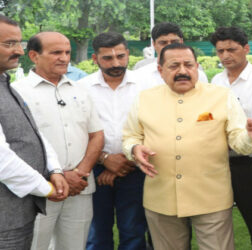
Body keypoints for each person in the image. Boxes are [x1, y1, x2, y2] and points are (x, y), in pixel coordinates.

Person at [123, 43, 252, 250]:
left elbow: (239, 142)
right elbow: (131, 136)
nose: (182, 71)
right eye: (174, 66)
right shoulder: (145, 99)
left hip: (211, 197)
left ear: (197, 67)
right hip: (161, 197)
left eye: (188, 65)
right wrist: (134, 149)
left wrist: (249, 138)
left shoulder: (221, 96)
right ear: (160, 70)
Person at [12, 31, 104, 250]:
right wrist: (55, 177)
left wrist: (79, 173)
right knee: (34, 245)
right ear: (34, 56)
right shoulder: (17, 92)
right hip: (38, 189)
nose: (64, 58)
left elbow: (96, 135)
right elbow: (15, 146)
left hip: (79, 187)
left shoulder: (81, 91)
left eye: (67, 52)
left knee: (75, 246)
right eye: (56, 52)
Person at [0, 15, 68, 249]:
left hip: (19, 214)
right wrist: (46, 187)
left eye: (19, 43)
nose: (18, 50)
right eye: (9, 44)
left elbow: (33, 134)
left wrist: (55, 169)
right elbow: (2, 160)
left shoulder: (5, 84)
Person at [210, 26, 252, 250]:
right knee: (218, 219)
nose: (225, 56)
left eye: (231, 49)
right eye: (220, 51)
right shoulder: (216, 82)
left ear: (246, 48)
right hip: (221, 161)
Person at [78, 32, 148, 250]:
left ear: (128, 54)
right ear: (95, 58)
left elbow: (154, 128)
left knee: (134, 231)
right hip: (94, 170)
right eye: (108, 58)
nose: (116, 63)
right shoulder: (81, 88)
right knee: (96, 233)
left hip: (136, 169)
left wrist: (122, 164)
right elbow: (76, 132)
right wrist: (105, 160)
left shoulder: (146, 86)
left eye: (120, 56)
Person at [134, 22, 208, 89]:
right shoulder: (140, 74)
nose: (169, 46)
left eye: (174, 42)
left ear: (181, 42)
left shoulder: (198, 74)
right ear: (154, 44)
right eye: (163, 42)